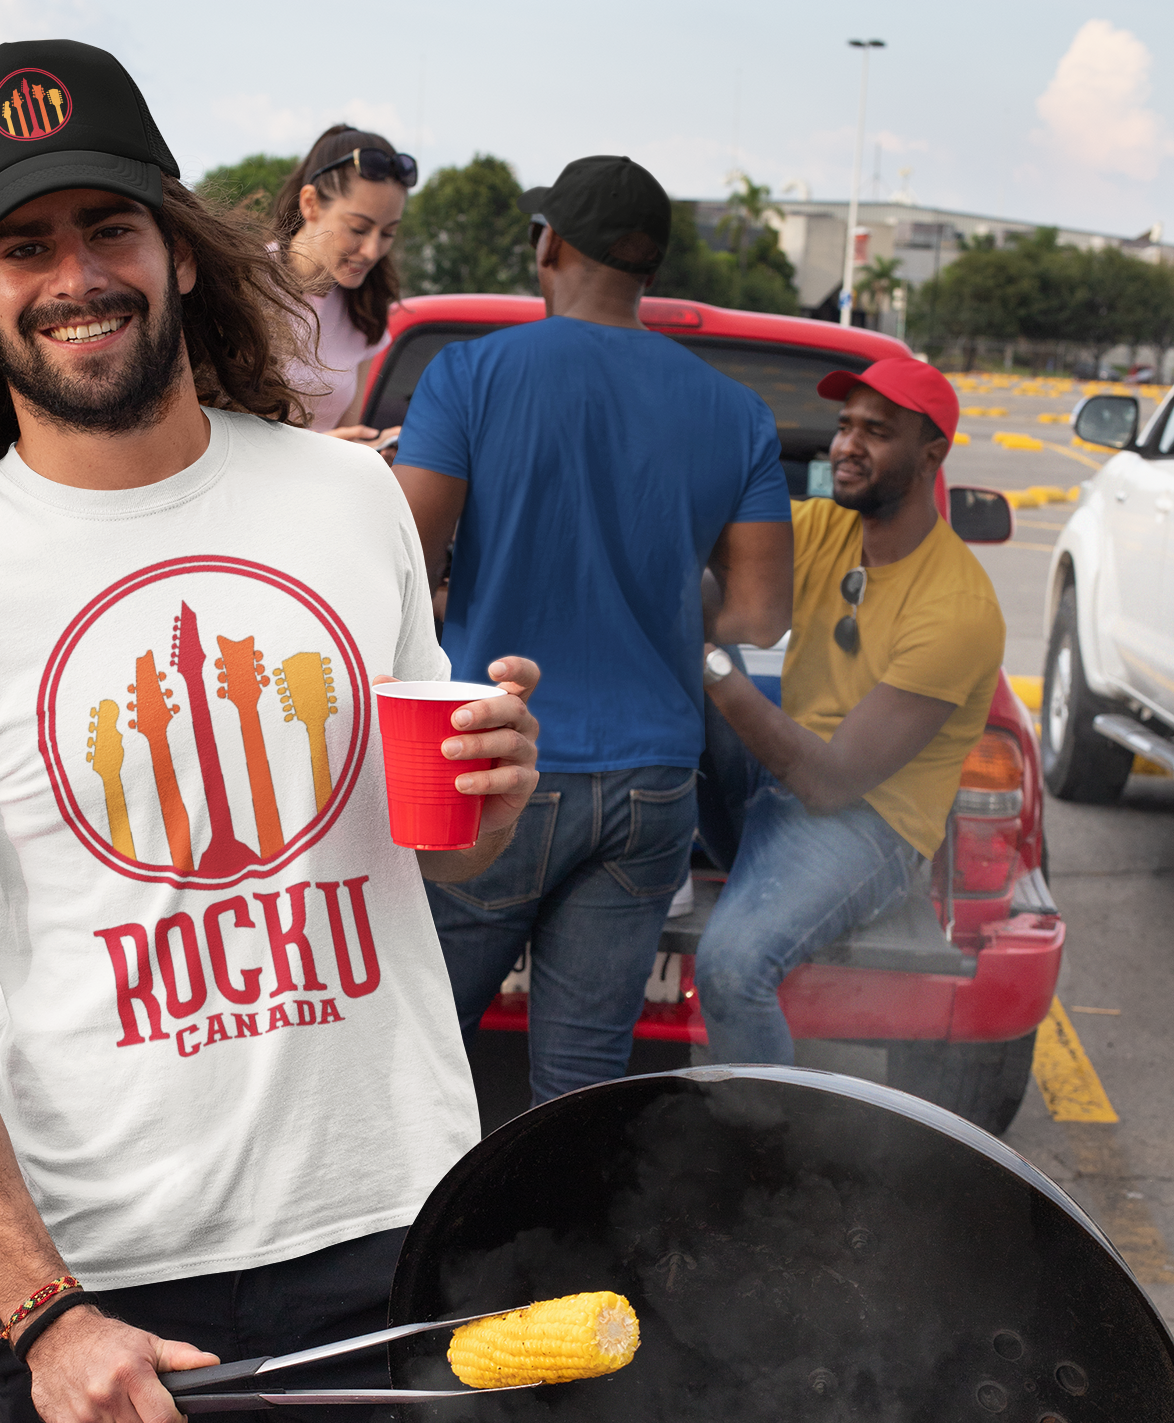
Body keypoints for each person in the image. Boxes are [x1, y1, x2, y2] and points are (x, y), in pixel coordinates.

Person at [0, 38, 539, 1423]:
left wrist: (493, 793)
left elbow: (439, 836)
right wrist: (41, 1307)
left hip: (397, 1223)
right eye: (23, 245)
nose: (74, 277)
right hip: (111, 1274)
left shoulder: (348, 512)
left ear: (176, 247)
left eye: (104, 228)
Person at [393, 156, 792, 1104]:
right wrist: (656, 592)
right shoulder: (736, 413)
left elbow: (399, 565)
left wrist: (462, 595)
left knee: (416, 1053)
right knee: (581, 1084)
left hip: (502, 768)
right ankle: (557, 1249)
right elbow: (759, 615)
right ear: (648, 267)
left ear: (552, 247)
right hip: (656, 782)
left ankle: (406, 1247)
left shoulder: (471, 376)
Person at [693, 356, 1006, 1064]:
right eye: (843, 426)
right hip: (774, 788)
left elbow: (833, 783)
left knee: (733, 970)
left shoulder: (957, 608)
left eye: (876, 431)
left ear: (931, 455)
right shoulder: (823, 528)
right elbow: (705, 548)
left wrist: (706, 660)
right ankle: (625, 848)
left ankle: (762, 1158)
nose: (845, 446)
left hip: (866, 825)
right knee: (676, 595)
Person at [271, 125, 415, 447]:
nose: (373, 251)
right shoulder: (242, 285)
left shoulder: (365, 311)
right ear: (310, 203)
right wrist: (320, 449)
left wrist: (372, 449)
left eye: (388, 233)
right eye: (358, 228)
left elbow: (345, 439)